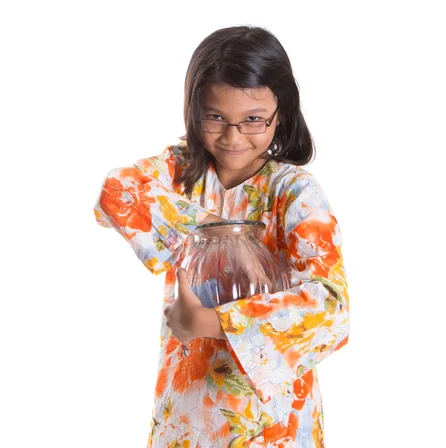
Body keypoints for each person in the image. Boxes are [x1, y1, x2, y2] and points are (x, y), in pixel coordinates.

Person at [93, 25, 349, 448]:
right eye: (216, 117)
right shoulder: (177, 173)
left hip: (271, 417)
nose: (233, 137)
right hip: (188, 409)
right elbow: (115, 193)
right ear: (194, 110)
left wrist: (211, 321)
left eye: (253, 120)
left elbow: (331, 309)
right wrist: (217, 236)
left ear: (280, 113)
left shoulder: (294, 193)